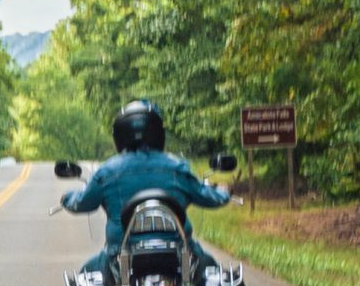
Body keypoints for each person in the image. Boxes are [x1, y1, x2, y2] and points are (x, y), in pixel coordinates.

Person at [60, 100, 232, 276]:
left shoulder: (108, 171)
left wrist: (67, 198)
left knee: (84, 280)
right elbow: (208, 197)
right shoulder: (177, 168)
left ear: (120, 134)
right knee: (215, 274)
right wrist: (224, 192)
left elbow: (83, 203)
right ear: (158, 132)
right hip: (179, 252)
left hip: (120, 253)